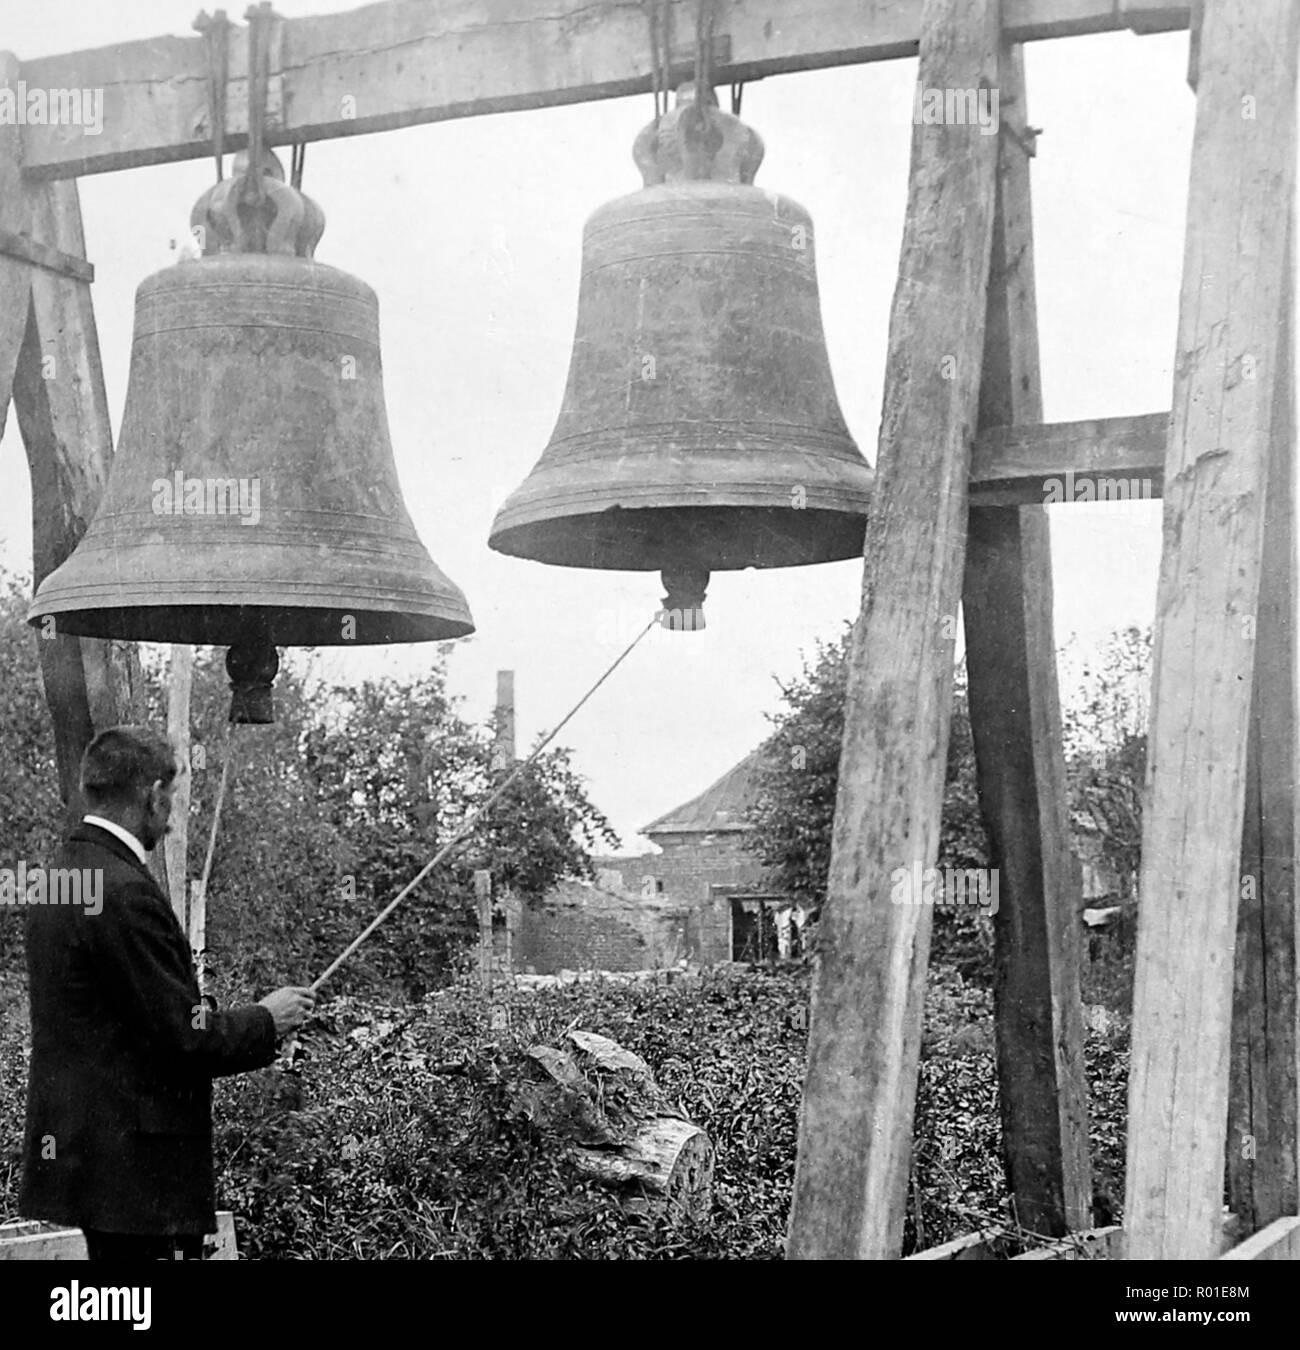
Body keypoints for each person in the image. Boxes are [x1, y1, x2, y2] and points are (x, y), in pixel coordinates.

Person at [21, 725, 314, 1261]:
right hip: (137, 1177)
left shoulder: (57, 879)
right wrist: (268, 1019)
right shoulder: (126, 891)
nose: (173, 815)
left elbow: (118, 1018)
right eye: (172, 797)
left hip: (86, 1161)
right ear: (153, 794)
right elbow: (182, 1036)